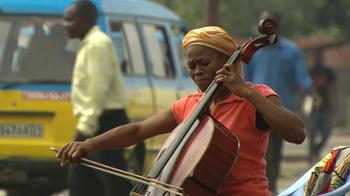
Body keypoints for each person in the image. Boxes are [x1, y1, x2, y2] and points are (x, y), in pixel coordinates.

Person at [57, 26, 306, 196]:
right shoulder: (189, 105)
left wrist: (247, 93)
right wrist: (89, 144)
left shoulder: (256, 96)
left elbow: (296, 133)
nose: (197, 71)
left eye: (204, 63)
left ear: (230, 62)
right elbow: (137, 131)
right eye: (191, 65)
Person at [62, 1, 132, 195]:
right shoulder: (89, 44)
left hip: (105, 123)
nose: (65, 24)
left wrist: (84, 130)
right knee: (82, 186)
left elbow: (96, 92)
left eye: (69, 20)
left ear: (86, 20)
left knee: (115, 185)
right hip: (98, 122)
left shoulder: (97, 44)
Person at [244, 10, 313, 194]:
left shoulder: (291, 51)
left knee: (273, 154)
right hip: (255, 110)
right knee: (259, 154)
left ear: (277, 26)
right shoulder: (254, 51)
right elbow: (247, 80)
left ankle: (270, 187)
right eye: (261, 23)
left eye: (270, 23)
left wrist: (310, 95)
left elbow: (302, 78)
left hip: (279, 109)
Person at [308, 49, 337, 164]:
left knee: (326, 132)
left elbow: (334, 87)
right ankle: (311, 156)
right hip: (312, 107)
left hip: (326, 106)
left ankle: (316, 149)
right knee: (312, 132)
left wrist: (335, 102)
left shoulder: (328, 71)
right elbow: (304, 88)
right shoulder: (309, 71)